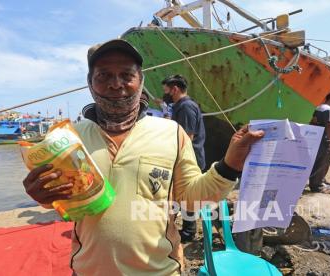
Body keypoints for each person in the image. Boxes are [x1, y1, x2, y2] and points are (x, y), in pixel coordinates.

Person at [22, 39, 264, 275]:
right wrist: (42, 196)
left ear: (141, 81)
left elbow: (192, 200)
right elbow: (59, 196)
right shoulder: (69, 137)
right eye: (103, 76)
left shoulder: (171, 132)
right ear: (90, 83)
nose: (116, 84)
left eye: (126, 75)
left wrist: (231, 164)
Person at [161, 74, 206, 243]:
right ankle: (186, 228)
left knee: (188, 195)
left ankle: (188, 232)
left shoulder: (186, 107)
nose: (166, 95)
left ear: (175, 89)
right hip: (186, 157)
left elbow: (187, 137)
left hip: (189, 159)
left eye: (167, 91)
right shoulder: (181, 106)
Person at [309, 91, 330, 193]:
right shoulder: (329, 110)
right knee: (322, 163)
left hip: (316, 140)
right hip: (324, 142)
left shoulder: (319, 108)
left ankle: (320, 180)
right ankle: (317, 186)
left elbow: (313, 122)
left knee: (316, 162)